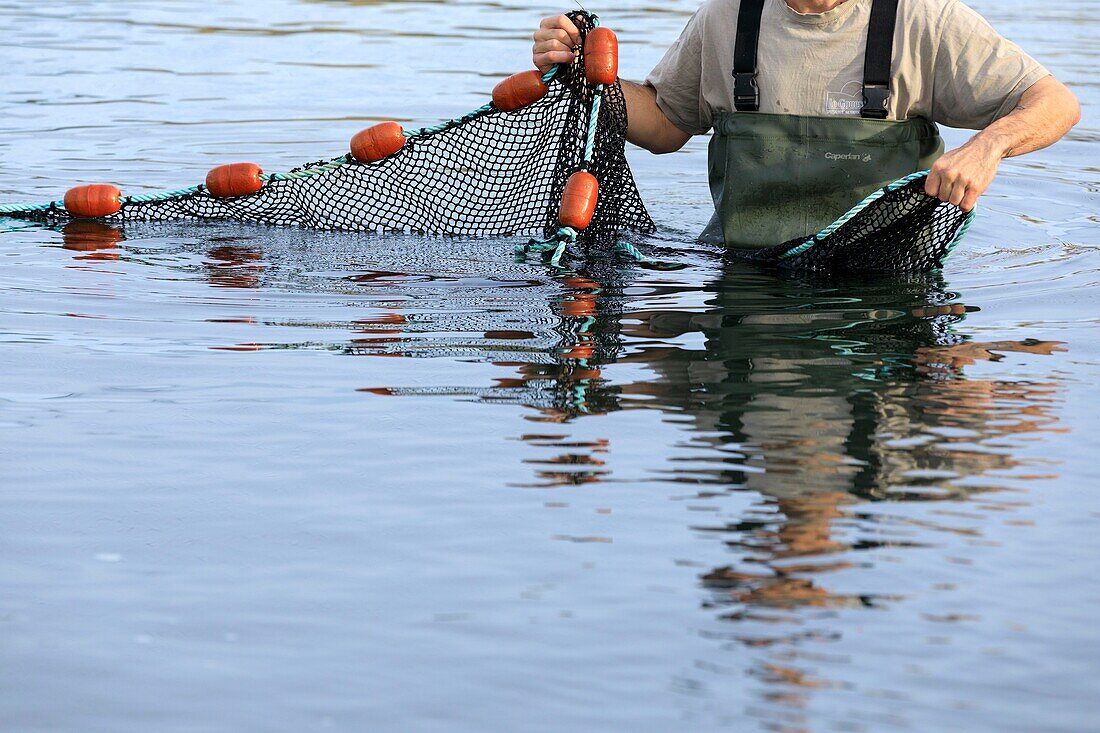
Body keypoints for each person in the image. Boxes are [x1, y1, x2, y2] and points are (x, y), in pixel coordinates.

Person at [532, 0, 1080, 248]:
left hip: (884, 295)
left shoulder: (924, 18)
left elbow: (1055, 102)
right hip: (739, 276)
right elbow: (665, 122)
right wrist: (582, 74)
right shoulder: (727, 16)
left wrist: (989, 147)